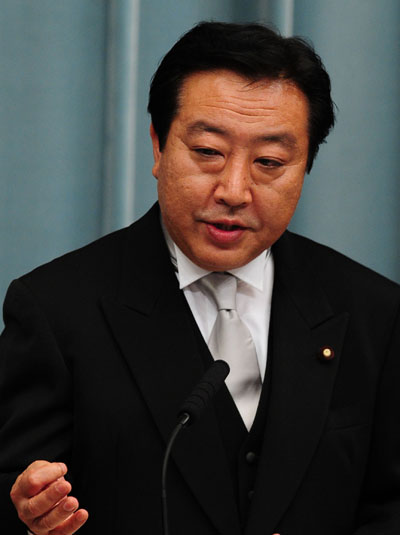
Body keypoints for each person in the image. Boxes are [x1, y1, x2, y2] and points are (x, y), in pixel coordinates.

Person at [1, 21, 399, 535]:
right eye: (208, 152)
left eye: (270, 162)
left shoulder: (372, 312)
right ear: (159, 146)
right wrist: (27, 515)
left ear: (304, 168)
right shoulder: (57, 309)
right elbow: (16, 487)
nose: (234, 189)